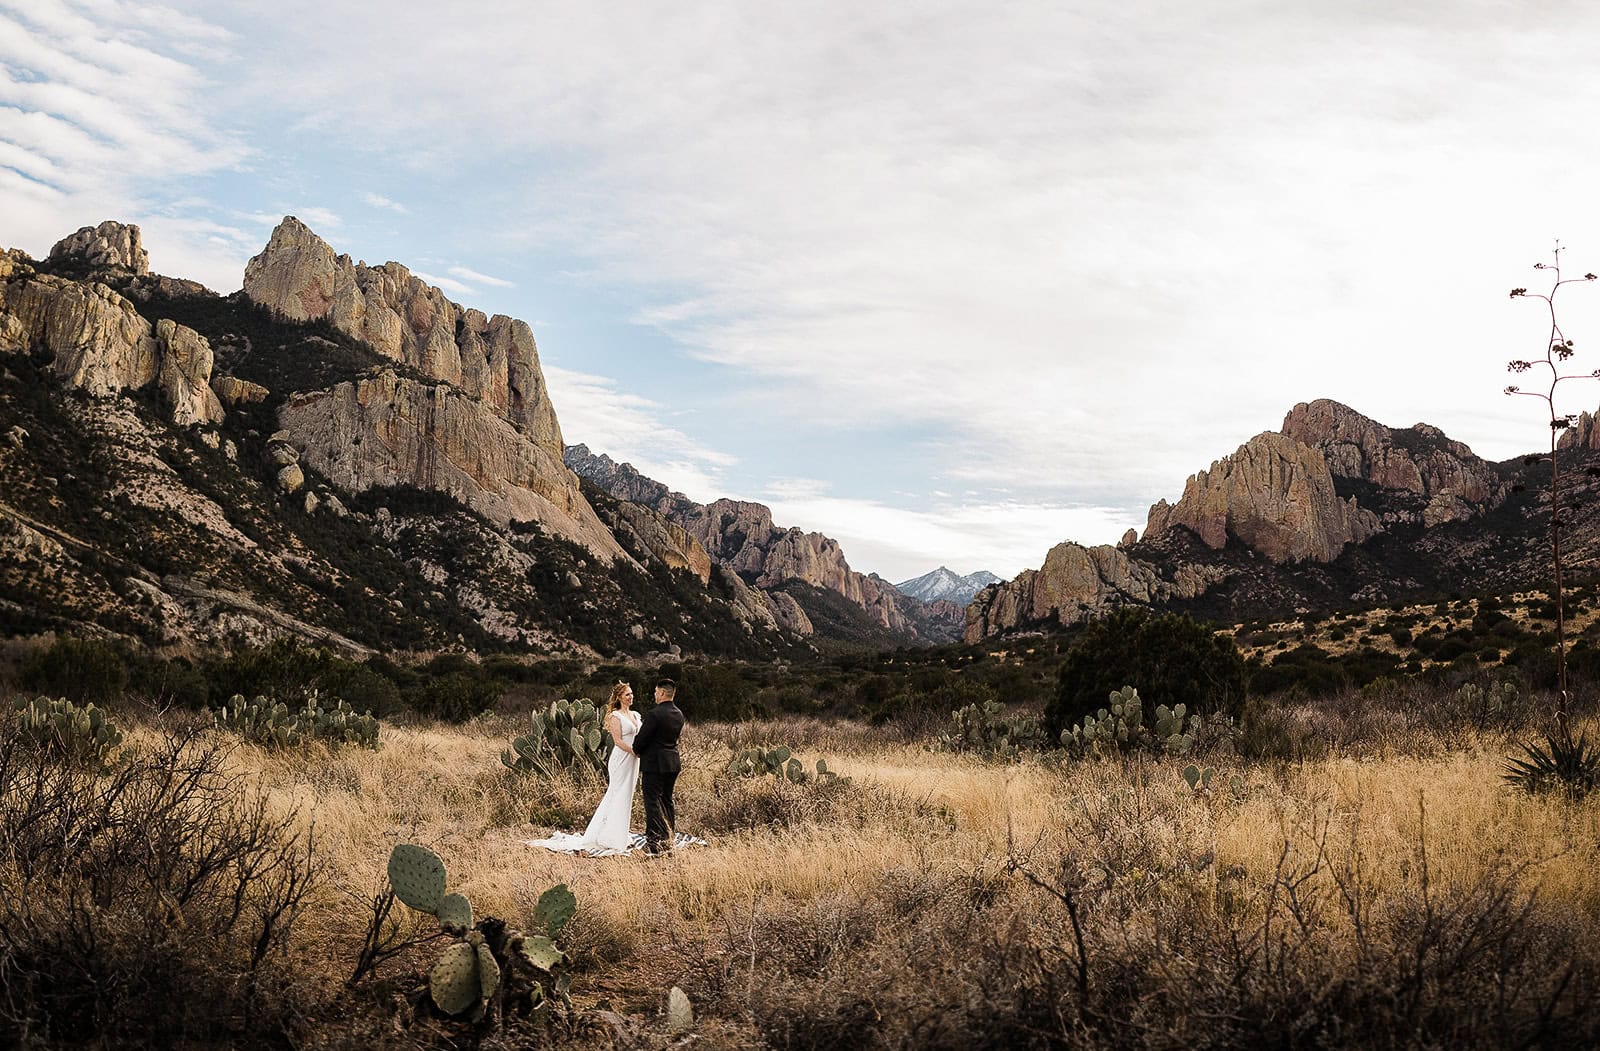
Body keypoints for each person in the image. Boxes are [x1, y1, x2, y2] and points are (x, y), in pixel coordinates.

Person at [525, 682, 641, 856]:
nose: (631, 697)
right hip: (623, 757)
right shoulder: (615, 716)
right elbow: (617, 741)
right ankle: (609, 836)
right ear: (618, 697)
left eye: (631, 694)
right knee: (617, 793)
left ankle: (620, 832)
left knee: (627, 794)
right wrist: (634, 751)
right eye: (627, 695)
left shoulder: (635, 715)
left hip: (634, 759)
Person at [632, 678, 685, 854]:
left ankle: (654, 840)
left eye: (655, 692)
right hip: (672, 763)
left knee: (652, 801)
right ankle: (669, 835)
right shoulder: (678, 713)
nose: (654, 695)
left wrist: (637, 749)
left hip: (655, 764)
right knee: (667, 800)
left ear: (662, 692)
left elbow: (641, 740)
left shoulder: (655, 714)